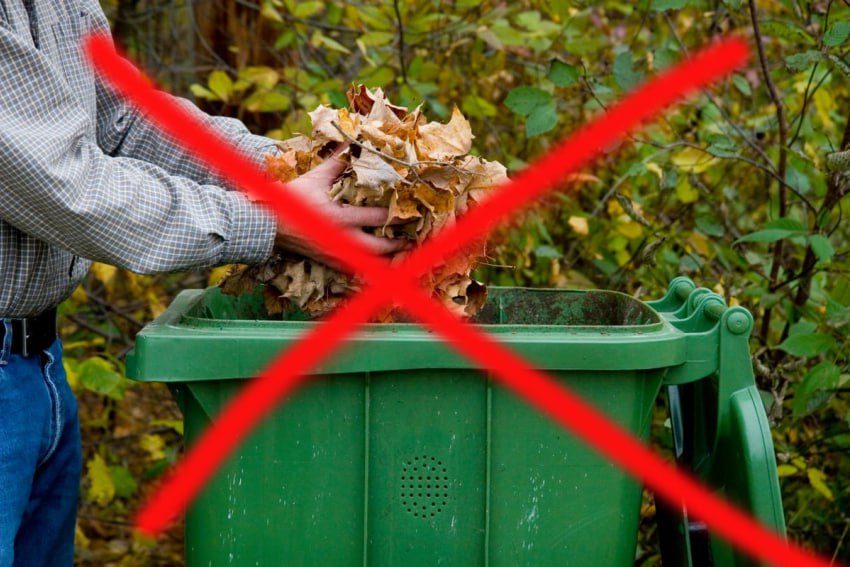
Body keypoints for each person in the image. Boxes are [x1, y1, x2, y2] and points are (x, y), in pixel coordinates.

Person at [0, 1, 403, 565]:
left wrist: (300, 169)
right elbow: (67, 185)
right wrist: (270, 219)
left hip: (37, 364)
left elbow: (123, 122)